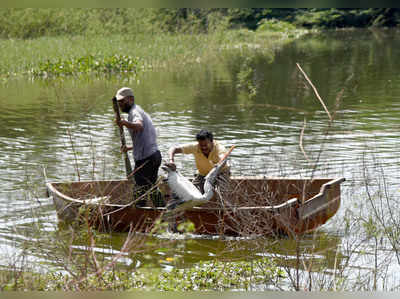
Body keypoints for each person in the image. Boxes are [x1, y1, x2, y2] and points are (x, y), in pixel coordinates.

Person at [114, 87, 164, 207]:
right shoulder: (139, 111)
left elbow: (139, 126)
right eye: (119, 102)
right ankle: (162, 210)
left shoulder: (134, 112)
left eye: (123, 101)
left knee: (140, 190)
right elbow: (146, 138)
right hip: (154, 156)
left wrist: (124, 123)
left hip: (146, 159)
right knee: (151, 188)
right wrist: (130, 148)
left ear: (131, 99)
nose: (120, 104)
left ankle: (139, 213)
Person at [168, 129, 230, 194]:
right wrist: (171, 160)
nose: (203, 147)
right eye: (201, 145)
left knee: (221, 193)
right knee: (192, 193)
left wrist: (219, 163)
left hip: (220, 173)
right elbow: (173, 149)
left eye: (206, 145)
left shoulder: (220, 148)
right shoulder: (195, 147)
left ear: (212, 142)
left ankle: (225, 202)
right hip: (203, 174)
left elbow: (223, 159)